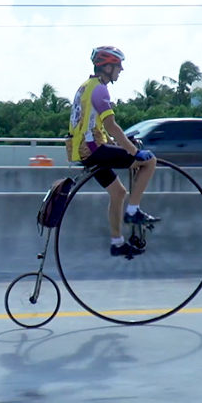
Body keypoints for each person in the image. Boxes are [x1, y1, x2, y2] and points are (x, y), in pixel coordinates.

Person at [67, 46, 159, 257]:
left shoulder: (85, 87)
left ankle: (117, 243)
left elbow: (92, 125)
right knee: (149, 161)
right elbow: (111, 126)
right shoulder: (100, 89)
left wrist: (119, 146)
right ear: (107, 67)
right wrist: (134, 151)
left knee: (118, 192)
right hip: (93, 150)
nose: (121, 70)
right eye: (118, 66)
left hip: (83, 151)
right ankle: (133, 210)